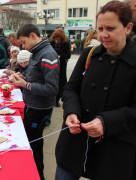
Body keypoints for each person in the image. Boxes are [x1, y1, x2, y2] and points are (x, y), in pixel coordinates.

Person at [55, 1, 136, 180]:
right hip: (75, 143)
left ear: (128, 28)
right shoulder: (90, 54)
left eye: (110, 28)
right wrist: (71, 112)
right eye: (100, 29)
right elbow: (71, 88)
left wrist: (106, 122)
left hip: (114, 150)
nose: (103, 35)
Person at [10, 24, 59, 180]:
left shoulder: (47, 54)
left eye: (23, 42)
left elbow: (51, 88)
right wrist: (23, 79)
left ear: (33, 35)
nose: (23, 46)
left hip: (39, 109)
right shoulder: (36, 52)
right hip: (32, 105)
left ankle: (38, 175)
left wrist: (26, 85)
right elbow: (35, 78)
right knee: (32, 143)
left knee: (35, 145)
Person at [50, 29, 71, 107]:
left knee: (61, 83)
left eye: (58, 40)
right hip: (53, 65)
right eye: (55, 39)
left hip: (62, 65)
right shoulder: (51, 43)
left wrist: (60, 56)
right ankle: (53, 99)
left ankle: (58, 99)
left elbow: (68, 55)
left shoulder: (66, 44)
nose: (56, 41)